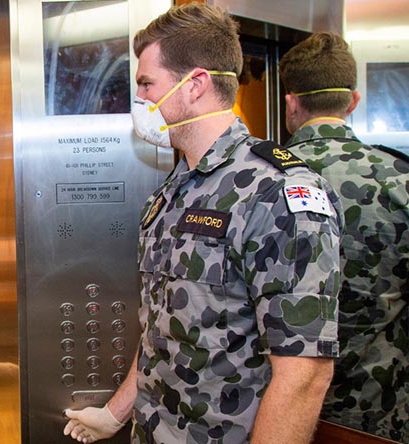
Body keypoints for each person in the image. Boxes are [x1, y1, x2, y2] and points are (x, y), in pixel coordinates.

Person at [63, 4, 343, 443]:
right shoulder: (171, 191)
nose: (140, 102)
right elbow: (163, 327)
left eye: (146, 85)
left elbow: (303, 373)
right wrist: (116, 415)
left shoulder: (276, 194)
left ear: (195, 85)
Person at [279, 32, 409, 442]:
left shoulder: (257, 179)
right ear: (353, 101)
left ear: (291, 102)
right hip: (378, 413)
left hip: (277, 413)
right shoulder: (400, 179)